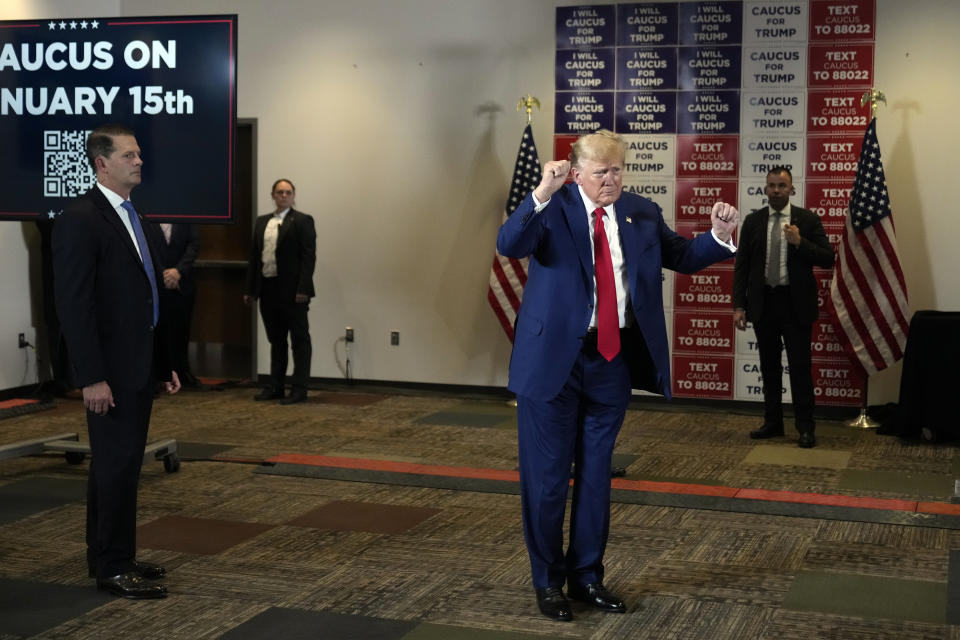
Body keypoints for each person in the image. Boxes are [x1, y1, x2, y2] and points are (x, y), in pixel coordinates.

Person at [497, 129, 738, 622]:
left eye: (617, 170)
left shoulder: (640, 212)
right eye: (601, 171)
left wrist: (717, 236)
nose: (611, 179)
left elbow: (684, 257)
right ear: (576, 172)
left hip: (610, 363)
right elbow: (510, 243)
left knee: (594, 479)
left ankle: (587, 577)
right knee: (546, 484)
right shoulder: (553, 209)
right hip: (551, 367)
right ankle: (548, 581)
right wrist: (540, 193)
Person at [52, 124, 180, 599]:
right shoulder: (80, 218)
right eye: (129, 155)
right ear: (102, 163)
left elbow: (147, 298)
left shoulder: (137, 219)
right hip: (107, 373)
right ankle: (111, 565)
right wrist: (91, 377)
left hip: (137, 367)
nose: (139, 161)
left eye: (139, 154)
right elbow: (75, 305)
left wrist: (164, 363)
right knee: (114, 465)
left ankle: (112, 555)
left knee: (121, 465)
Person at [732, 166, 835, 448]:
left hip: (795, 305)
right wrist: (739, 305)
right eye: (772, 185)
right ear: (765, 189)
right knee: (769, 367)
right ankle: (773, 422)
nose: (776, 190)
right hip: (764, 303)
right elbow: (742, 266)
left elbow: (828, 259)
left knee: (800, 368)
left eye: (782, 186)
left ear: (792, 189)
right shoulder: (753, 222)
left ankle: (805, 427)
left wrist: (800, 242)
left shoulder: (807, 220)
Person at [243, 179, 316, 404]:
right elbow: (255, 257)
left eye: (288, 192)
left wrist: (303, 288)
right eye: (279, 192)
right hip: (268, 288)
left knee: (299, 340)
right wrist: (250, 289)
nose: (284, 196)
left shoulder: (302, 221)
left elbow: (308, 257)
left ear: (294, 195)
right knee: (276, 340)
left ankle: (299, 388)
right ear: (273, 195)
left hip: (294, 291)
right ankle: (275, 386)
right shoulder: (262, 221)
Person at [149, 222, 200, 387]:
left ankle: (182, 371)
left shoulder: (186, 215)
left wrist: (178, 271)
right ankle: (158, 376)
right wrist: (162, 273)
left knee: (182, 330)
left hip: (182, 283)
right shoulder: (146, 216)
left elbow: (194, 245)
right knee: (156, 332)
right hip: (156, 283)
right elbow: (146, 247)